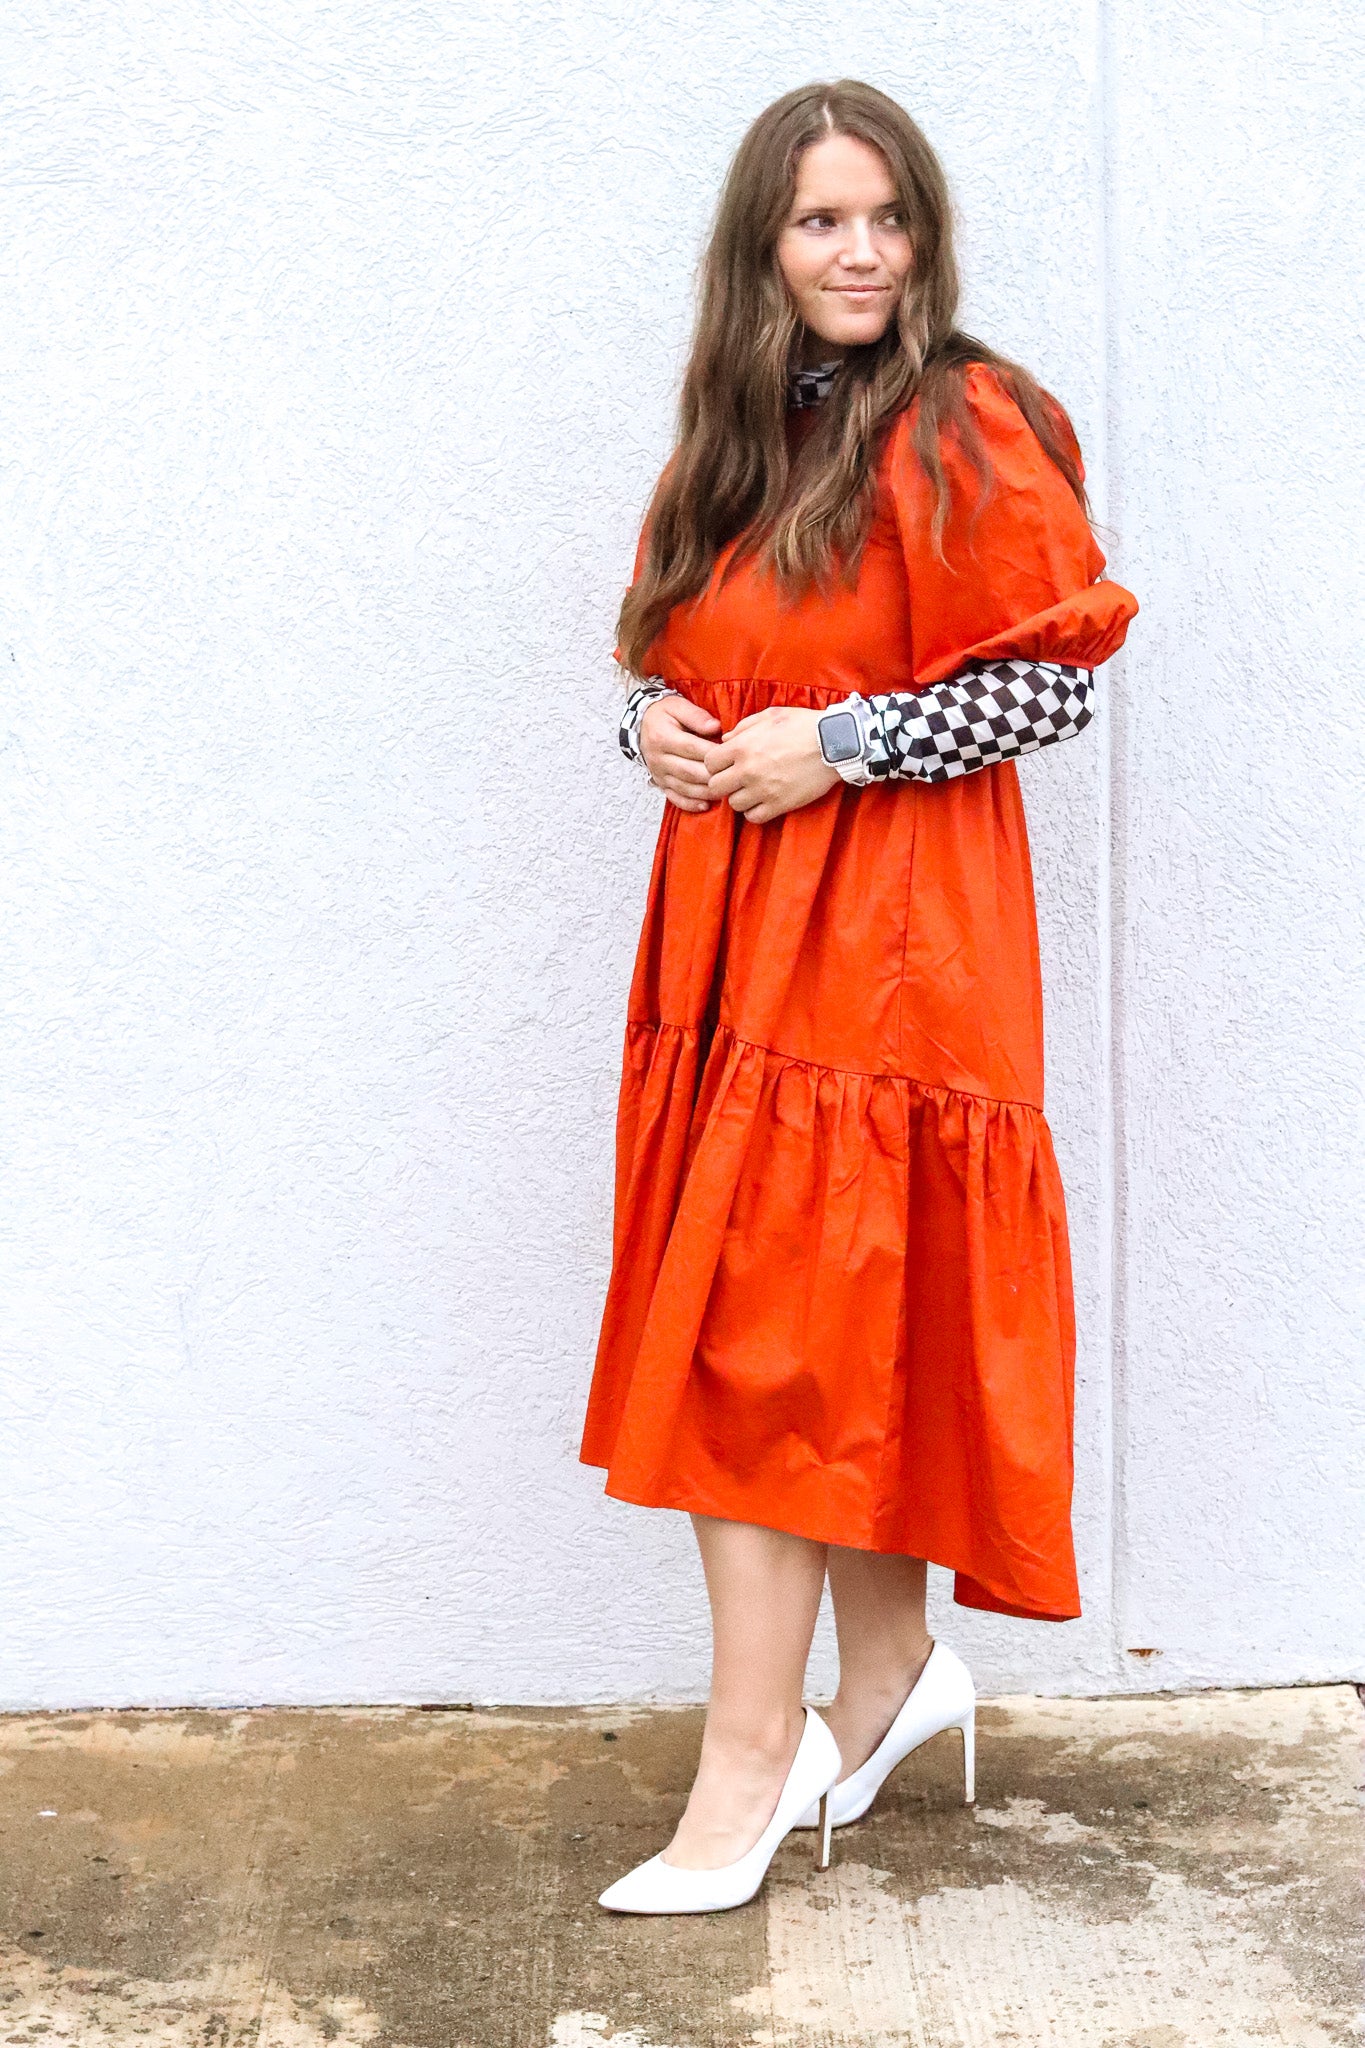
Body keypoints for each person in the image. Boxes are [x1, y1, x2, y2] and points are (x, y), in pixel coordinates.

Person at [579, 79, 1138, 1916]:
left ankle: (749, 1770)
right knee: (828, 1341)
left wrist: (841, 742)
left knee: (771, 1356)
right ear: (764, 246)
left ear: (922, 236)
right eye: (820, 221)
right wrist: (652, 730)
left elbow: (1046, 684)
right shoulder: (738, 433)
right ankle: (888, 1683)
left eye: (885, 217)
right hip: (736, 947)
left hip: (892, 955)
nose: (859, 252)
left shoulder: (966, 421)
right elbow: (669, 654)